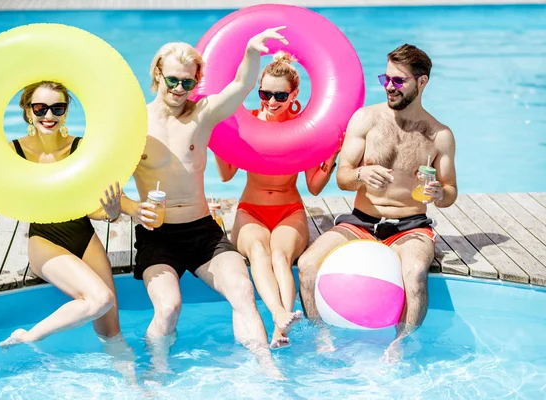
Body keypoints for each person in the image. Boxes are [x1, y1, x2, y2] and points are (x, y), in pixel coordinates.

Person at [119, 28, 289, 377]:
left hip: (202, 232)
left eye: (188, 83)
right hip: (158, 234)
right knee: (168, 308)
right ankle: (157, 368)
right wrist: (133, 208)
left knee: (243, 290)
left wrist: (251, 50)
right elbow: (108, 187)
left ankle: (267, 365)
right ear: (156, 75)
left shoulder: (202, 115)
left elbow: (241, 86)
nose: (179, 91)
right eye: (172, 81)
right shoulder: (134, 124)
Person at [0, 81, 137, 381]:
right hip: (46, 239)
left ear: (66, 112)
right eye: (40, 108)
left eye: (58, 108)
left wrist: (114, 212)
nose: (48, 115)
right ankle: (29, 336)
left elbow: (98, 208)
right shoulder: (13, 152)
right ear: (28, 111)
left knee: (111, 331)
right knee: (100, 298)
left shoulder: (81, 149)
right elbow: (2, 199)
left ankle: (133, 387)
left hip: (84, 234)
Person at [297, 44, 457, 362]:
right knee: (306, 266)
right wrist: (362, 174)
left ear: (421, 82)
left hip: (410, 226)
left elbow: (451, 193)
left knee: (414, 274)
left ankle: (402, 344)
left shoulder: (439, 135)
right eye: (386, 78)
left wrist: (440, 193)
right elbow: (343, 178)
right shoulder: (366, 119)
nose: (388, 86)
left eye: (399, 81)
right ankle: (322, 335)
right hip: (361, 221)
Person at [215, 51, 340, 349]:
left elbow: (314, 187)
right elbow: (226, 175)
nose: (270, 101)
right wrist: (218, 142)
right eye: (264, 93)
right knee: (258, 250)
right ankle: (280, 316)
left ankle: (279, 329)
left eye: (280, 95)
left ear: (294, 93)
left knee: (280, 256)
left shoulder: (304, 128)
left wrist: (330, 158)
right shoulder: (245, 123)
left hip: (289, 209)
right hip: (251, 209)